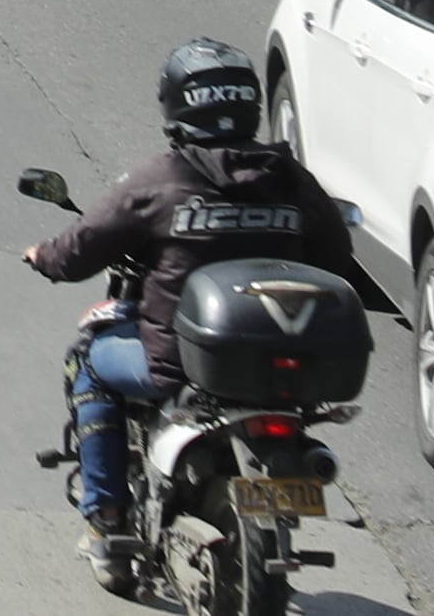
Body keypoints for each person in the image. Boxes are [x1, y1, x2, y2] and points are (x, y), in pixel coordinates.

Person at [24, 40, 357, 595]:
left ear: (177, 105)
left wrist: (43, 255)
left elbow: (77, 251)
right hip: (285, 372)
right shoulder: (292, 179)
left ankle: (105, 520)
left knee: (89, 358)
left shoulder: (160, 179)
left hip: (175, 367)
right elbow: (334, 260)